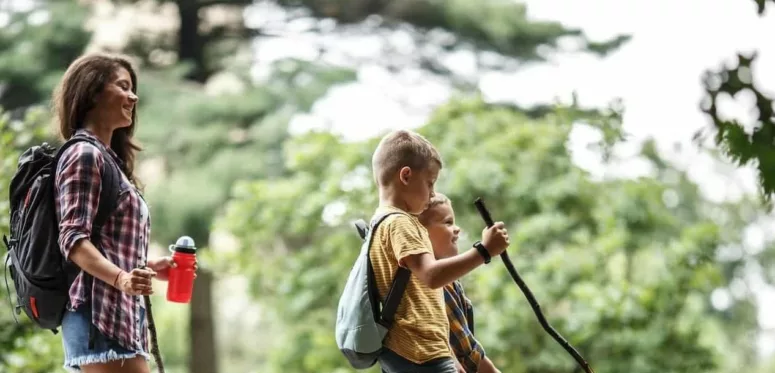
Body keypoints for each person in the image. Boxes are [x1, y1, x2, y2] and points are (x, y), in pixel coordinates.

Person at [54, 53, 180, 373]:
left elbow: (103, 242)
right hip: (99, 321)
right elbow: (73, 240)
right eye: (123, 86)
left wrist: (147, 267)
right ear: (93, 92)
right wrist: (122, 278)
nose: (133, 96)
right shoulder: (84, 153)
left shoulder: (109, 162)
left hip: (118, 321)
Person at [369, 129, 510, 373]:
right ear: (406, 176)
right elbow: (431, 276)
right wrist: (485, 250)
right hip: (421, 353)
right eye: (430, 183)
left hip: (420, 353)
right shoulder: (398, 222)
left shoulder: (382, 222)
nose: (433, 193)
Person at [419, 194, 502, 373]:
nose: (456, 229)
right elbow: (466, 353)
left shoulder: (449, 282)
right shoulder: (435, 286)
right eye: (448, 223)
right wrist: (485, 250)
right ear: (421, 233)